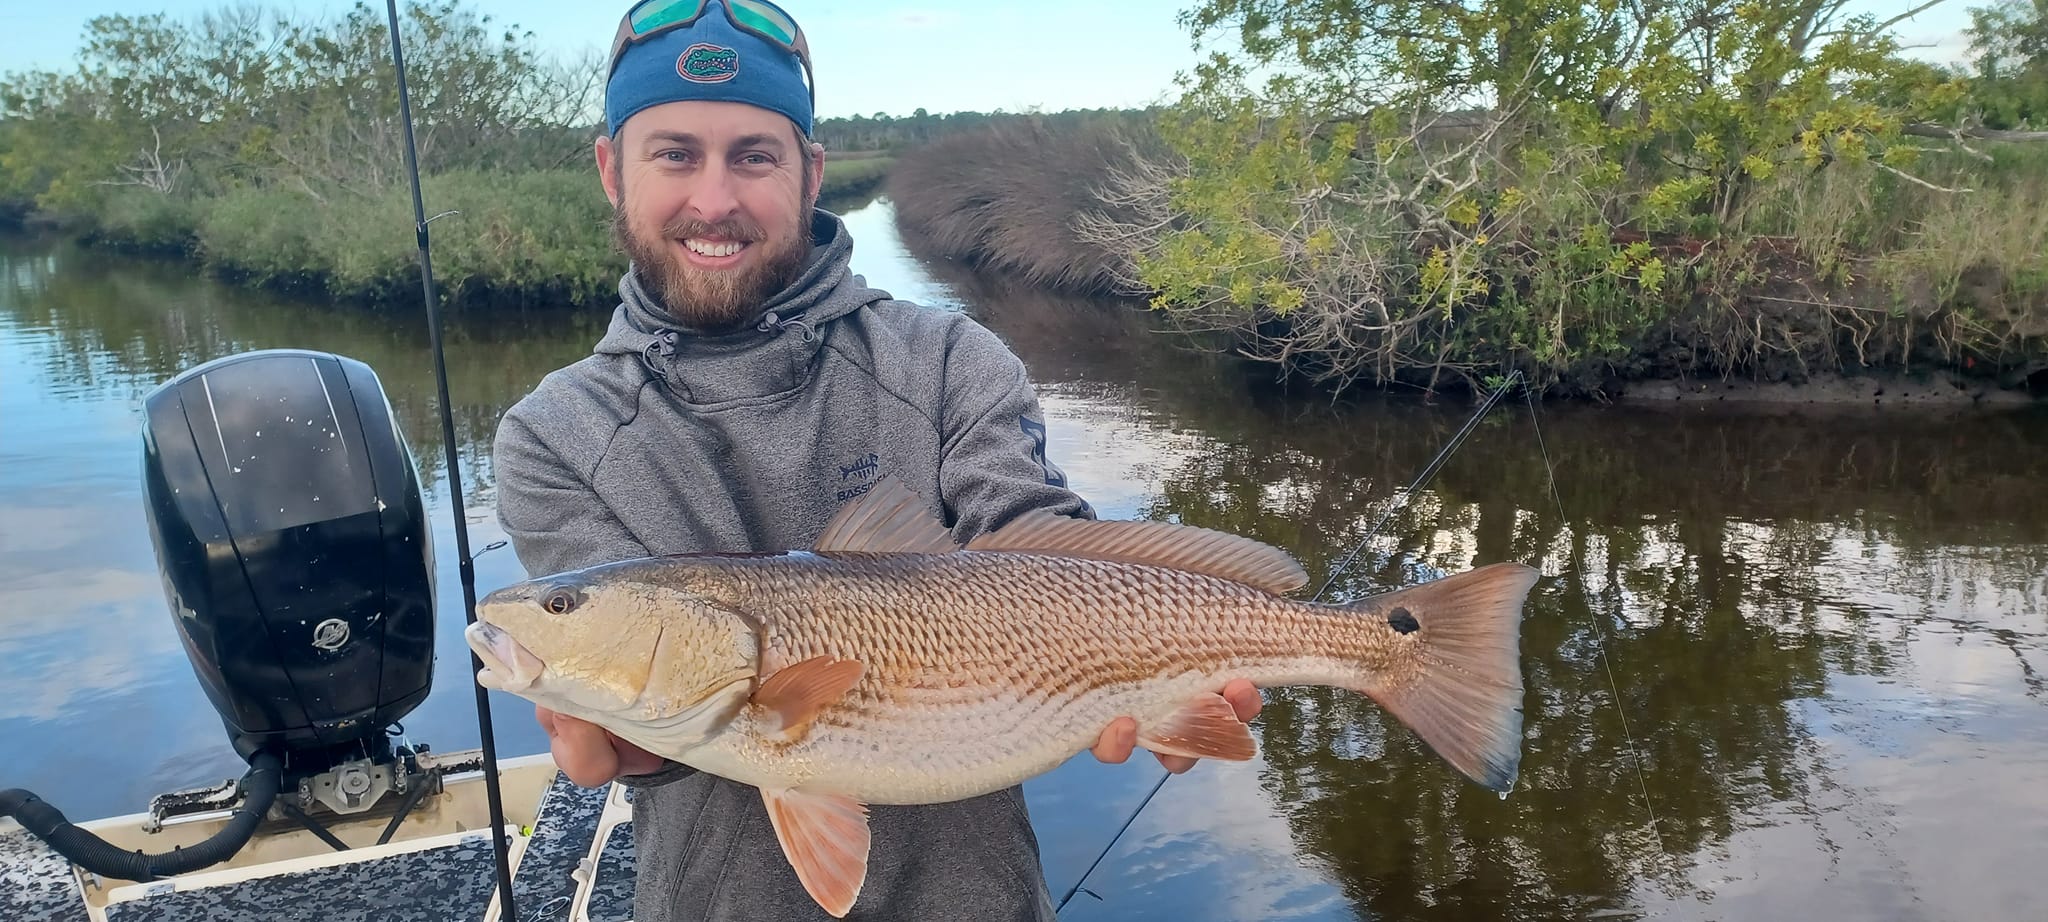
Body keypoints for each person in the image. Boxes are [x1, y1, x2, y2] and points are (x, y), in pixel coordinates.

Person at [490, 2, 1261, 919]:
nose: (713, 199)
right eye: (673, 154)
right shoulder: (551, 437)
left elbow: (1031, 543)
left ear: (812, 173)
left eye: (754, 154)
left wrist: (1162, 668)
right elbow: (643, 735)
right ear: (611, 169)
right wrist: (624, 739)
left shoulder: (949, 359)